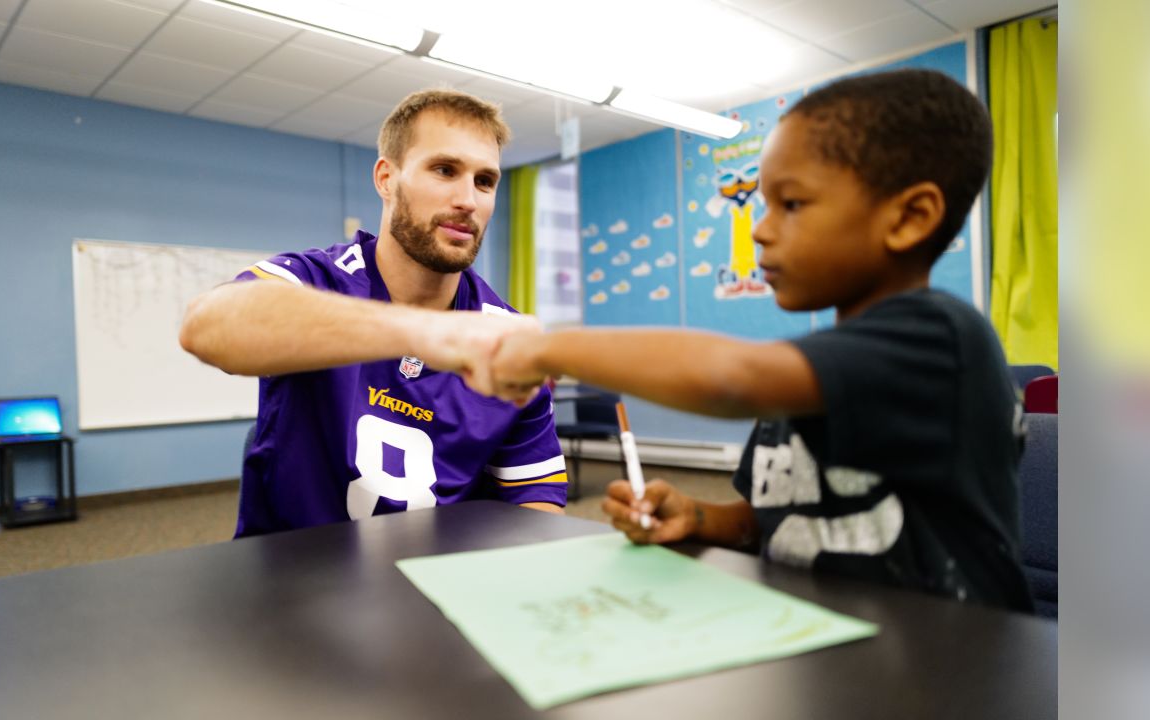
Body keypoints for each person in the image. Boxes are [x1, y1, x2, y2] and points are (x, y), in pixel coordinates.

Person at [475, 69, 1034, 611]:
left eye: (791, 205)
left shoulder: (941, 339)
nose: (760, 230)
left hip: (956, 669)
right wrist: (695, 517)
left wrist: (545, 347)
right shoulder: (810, 370)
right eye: (763, 205)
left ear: (910, 217)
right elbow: (769, 520)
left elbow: (730, 377)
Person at [179, 88, 568, 536]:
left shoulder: (505, 337)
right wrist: (426, 333)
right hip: (293, 586)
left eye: (485, 181)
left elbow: (534, 494)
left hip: (436, 585)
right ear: (386, 178)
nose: (469, 200)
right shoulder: (317, 279)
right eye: (445, 170)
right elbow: (207, 326)